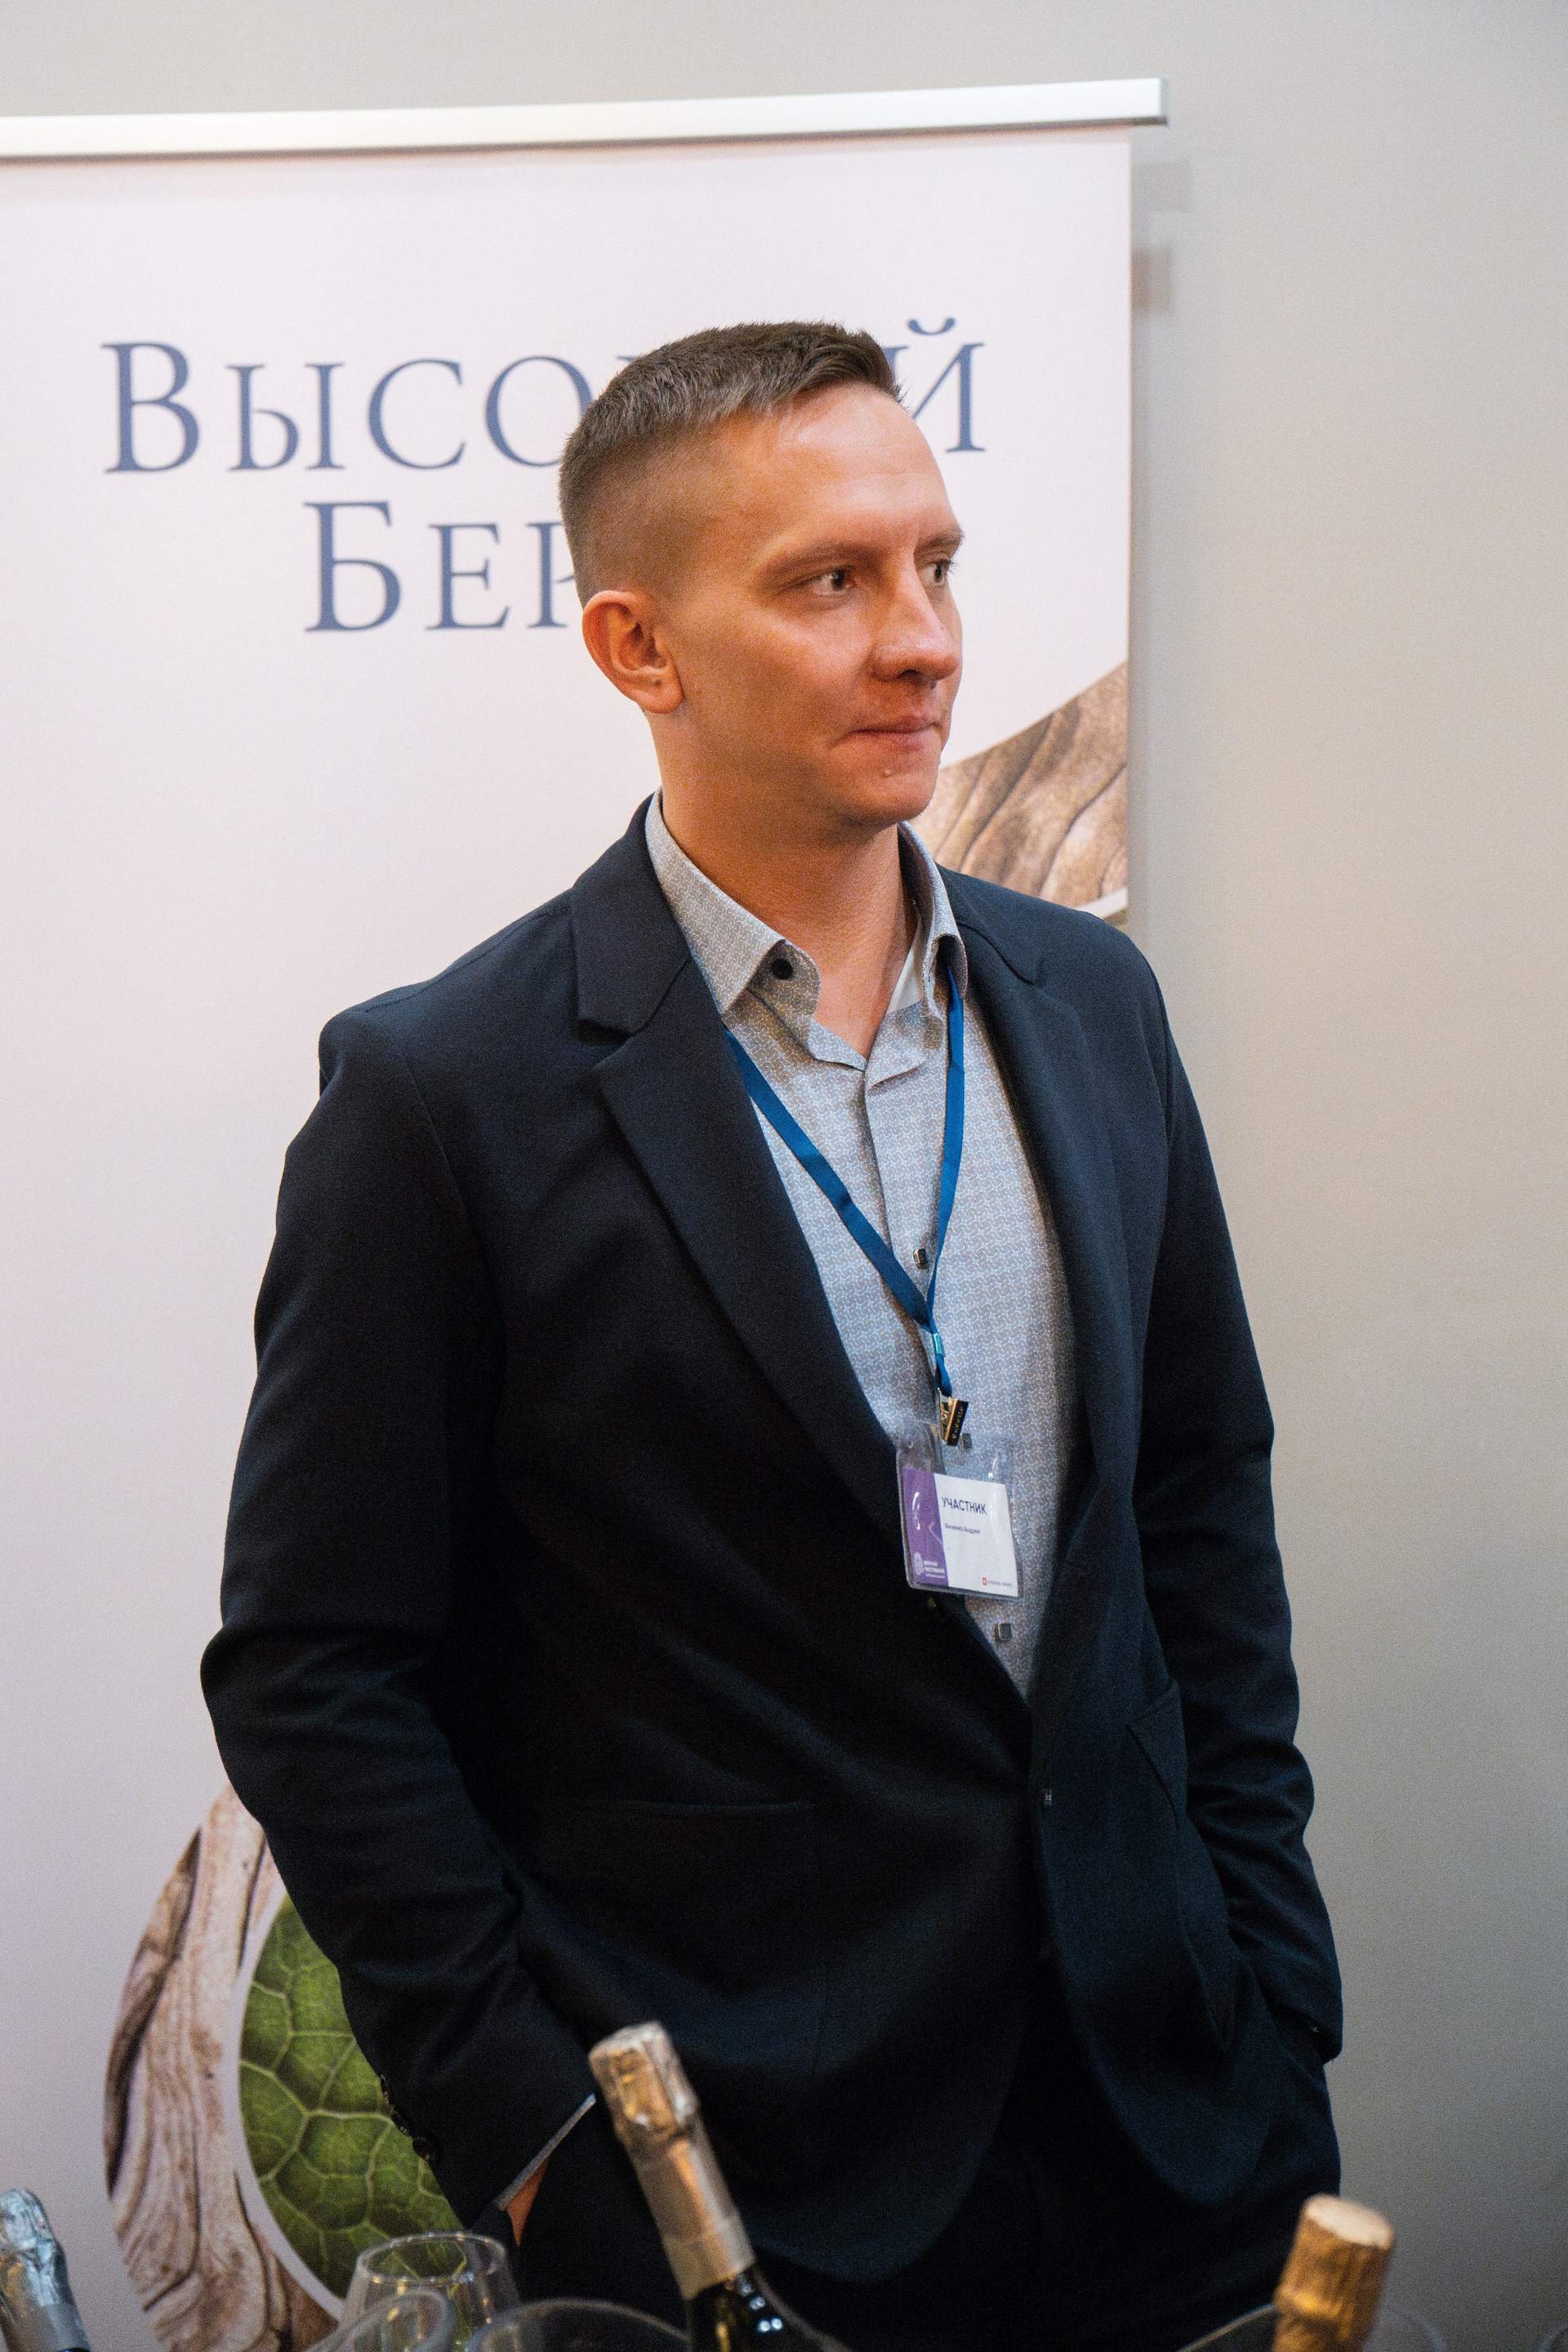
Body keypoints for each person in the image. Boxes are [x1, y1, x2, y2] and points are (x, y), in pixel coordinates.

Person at [203, 322, 1341, 2352]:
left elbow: (1196, 1502)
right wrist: (535, 2141)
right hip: (742, 2184)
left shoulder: (1090, 1004)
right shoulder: (446, 1097)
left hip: (1175, 2122)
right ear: (637, 648)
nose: (924, 640)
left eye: (936, 564)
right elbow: (317, 1669)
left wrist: (1271, 1968)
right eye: (829, 581)